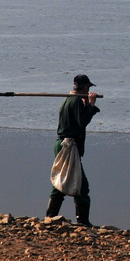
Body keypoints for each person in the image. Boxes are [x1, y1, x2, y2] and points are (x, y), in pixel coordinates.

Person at [45, 74, 100, 225]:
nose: (89, 90)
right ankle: (82, 221)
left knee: (61, 182)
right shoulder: (75, 101)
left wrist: (86, 104)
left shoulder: (70, 100)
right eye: (88, 87)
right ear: (83, 87)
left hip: (62, 144)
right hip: (68, 145)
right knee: (82, 185)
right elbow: (81, 122)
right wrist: (91, 105)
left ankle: (50, 217)